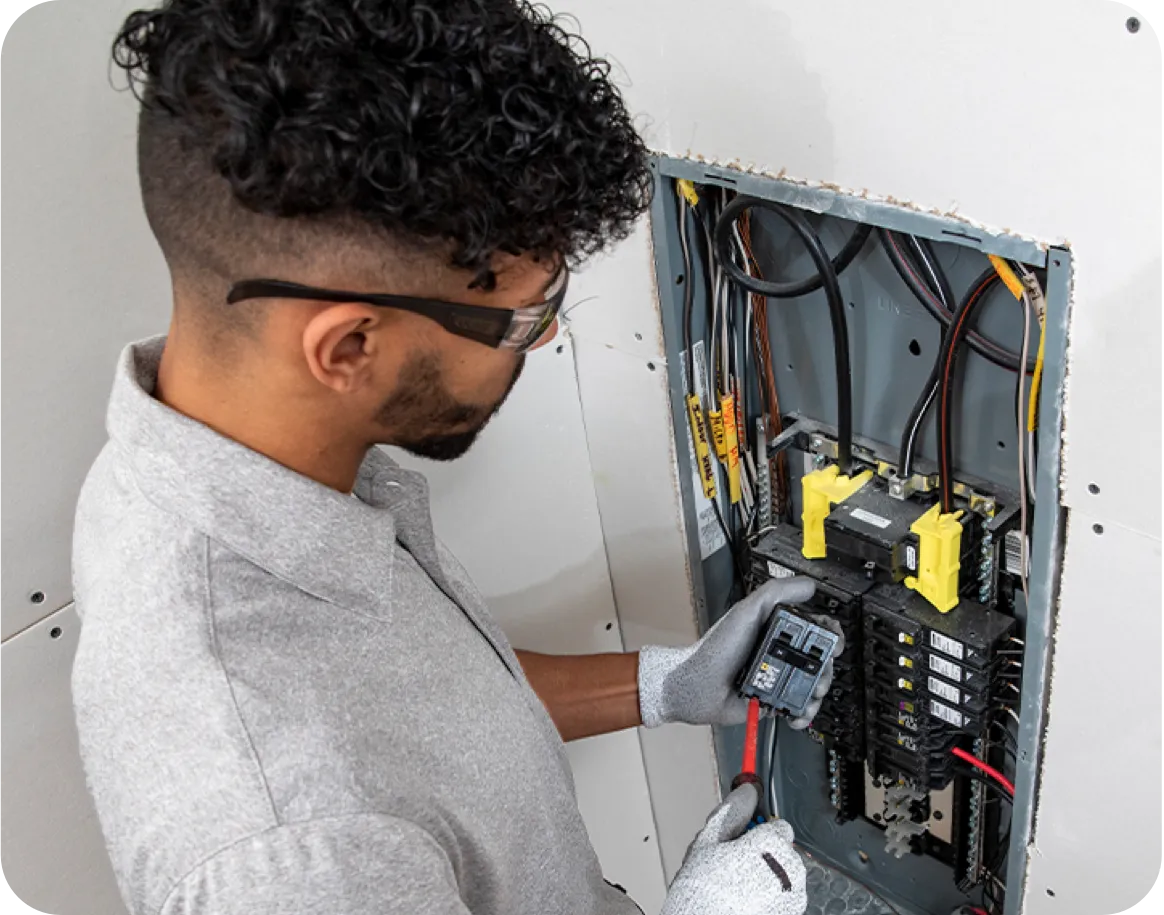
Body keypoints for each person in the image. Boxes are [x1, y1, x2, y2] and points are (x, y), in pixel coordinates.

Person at [71, 2, 831, 914]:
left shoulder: (198, 461)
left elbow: (421, 725)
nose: (544, 343)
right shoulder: (295, 857)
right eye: (527, 318)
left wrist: (659, 684)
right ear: (349, 346)